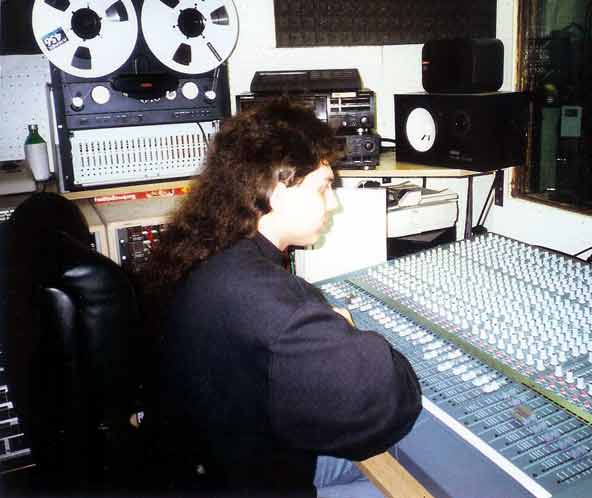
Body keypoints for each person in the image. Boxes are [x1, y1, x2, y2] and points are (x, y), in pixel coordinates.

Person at [140, 98, 422, 497]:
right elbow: (386, 404)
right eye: (324, 187)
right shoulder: (265, 299)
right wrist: (349, 330)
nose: (334, 203)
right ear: (276, 189)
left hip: (208, 463)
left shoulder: (206, 252)